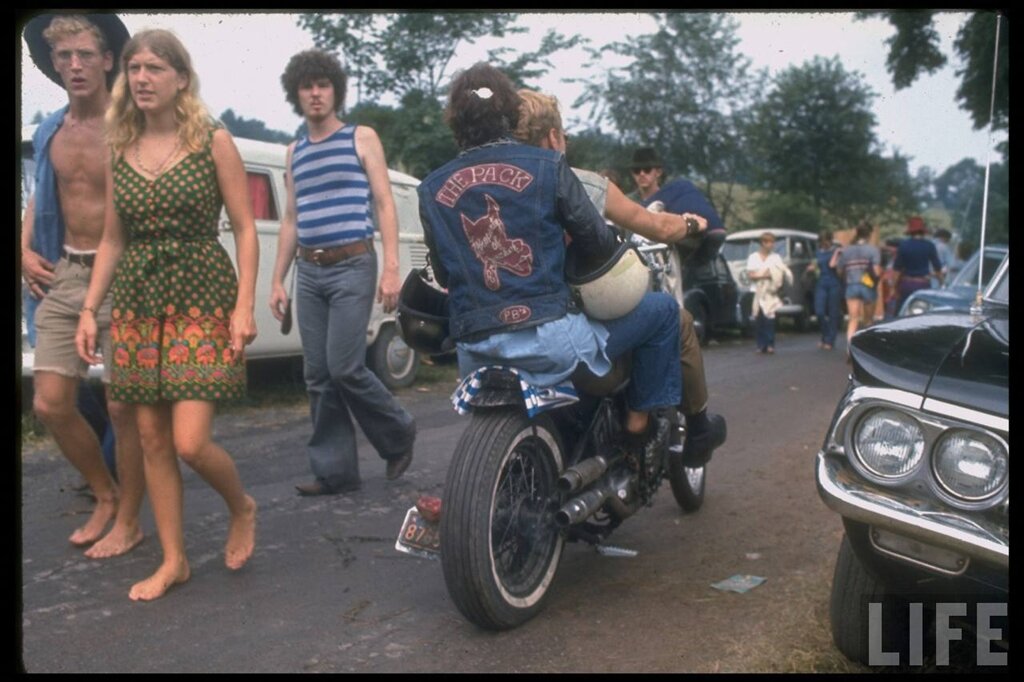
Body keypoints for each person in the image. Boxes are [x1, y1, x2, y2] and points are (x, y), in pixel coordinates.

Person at [75, 29, 257, 601]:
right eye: (133, 68)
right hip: (137, 300)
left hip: (201, 292)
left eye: (154, 67)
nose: (141, 78)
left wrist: (244, 305)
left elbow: (247, 228)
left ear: (181, 77)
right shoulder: (119, 143)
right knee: (149, 434)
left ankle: (241, 505)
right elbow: (110, 239)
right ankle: (173, 559)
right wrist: (88, 309)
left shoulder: (211, 140)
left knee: (189, 442)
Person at [419, 63, 681, 455]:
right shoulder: (548, 167)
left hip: (475, 351)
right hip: (550, 342)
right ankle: (637, 426)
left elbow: (444, 271)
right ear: (508, 112)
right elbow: (598, 245)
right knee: (663, 311)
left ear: (455, 121)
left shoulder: (431, 188)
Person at [514, 88, 725, 464]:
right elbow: (658, 226)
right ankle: (647, 425)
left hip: (505, 337)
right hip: (564, 336)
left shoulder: (486, 187)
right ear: (552, 138)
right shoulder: (581, 182)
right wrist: (692, 222)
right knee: (668, 314)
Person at [21, 13, 145, 559]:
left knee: (123, 406)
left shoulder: (131, 126)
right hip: (65, 271)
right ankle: (104, 493)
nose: (74, 65)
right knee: (50, 403)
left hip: (124, 274)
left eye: (84, 55)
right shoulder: (50, 129)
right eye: (63, 57)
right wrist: (23, 249)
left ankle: (131, 516)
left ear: (108, 60)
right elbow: (40, 195)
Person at [269, 49, 416, 497]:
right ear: (297, 94)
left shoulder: (361, 137)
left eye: (323, 85)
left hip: (354, 263)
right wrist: (277, 279)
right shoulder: (294, 152)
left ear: (335, 90)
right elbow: (291, 218)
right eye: (306, 86)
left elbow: (385, 203)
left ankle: (398, 434)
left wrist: (391, 269)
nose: (315, 93)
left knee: (344, 366)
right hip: (309, 272)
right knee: (317, 374)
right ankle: (335, 472)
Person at [832, 221, 882, 352]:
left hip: (851, 286)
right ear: (869, 234)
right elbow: (876, 272)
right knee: (868, 321)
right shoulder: (873, 250)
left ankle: (850, 350)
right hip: (868, 286)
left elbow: (839, 270)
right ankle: (867, 351)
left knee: (853, 319)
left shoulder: (846, 250)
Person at [746, 232, 791, 354]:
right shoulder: (753, 257)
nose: (772, 245)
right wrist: (765, 273)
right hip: (756, 291)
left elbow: (778, 274)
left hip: (770, 291)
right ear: (763, 243)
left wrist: (762, 274)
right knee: (758, 318)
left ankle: (770, 344)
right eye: (769, 242)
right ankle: (760, 345)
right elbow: (751, 275)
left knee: (769, 318)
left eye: (773, 242)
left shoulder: (776, 258)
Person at [893, 216, 943, 312]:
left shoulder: (903, 246)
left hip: (906, 284)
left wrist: (894, 287)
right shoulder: (929, 246)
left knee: (901, 311)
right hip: (922, 284)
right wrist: (941, 283)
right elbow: (937, 268)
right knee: (922, 312)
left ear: (910, 231)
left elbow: (897, 270)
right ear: (923, 231)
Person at [809, 230, 842, 350]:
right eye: (822, 242)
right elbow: (815, 265)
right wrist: (812, 268)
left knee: (833, 312)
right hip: (821, 282)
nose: (824, 244)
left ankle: (830, 340)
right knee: (819, 311)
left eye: (826, 241)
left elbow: (838, 267)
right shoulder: (817, 252)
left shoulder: (836, 251)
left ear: (830, 240)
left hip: (834, 282)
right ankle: (825, 335)